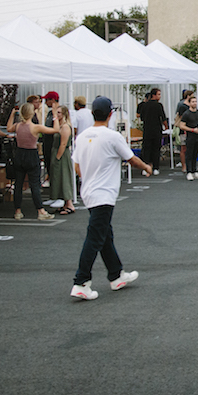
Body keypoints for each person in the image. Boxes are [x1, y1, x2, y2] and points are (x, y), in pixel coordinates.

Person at [70, 97, 147, 301]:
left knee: (104, 235)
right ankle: (81, 281)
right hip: (104, 194)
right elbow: (131, 158)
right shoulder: (112, 137)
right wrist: (147, 167)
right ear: (110, 114)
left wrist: (87, 176)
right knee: (95, 237)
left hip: (88, 192)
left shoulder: (83, 136)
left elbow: (76, 165)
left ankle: (116, 275)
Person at [6, 103, 54, 221]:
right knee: (35, 184)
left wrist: (12, 115)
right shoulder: (35, 127)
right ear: (31, 113)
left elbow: (8, 128)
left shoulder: (17, 126)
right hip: (31, 154)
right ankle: (40, 210)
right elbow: (55, 130)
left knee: (18, 184)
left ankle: (17, 211)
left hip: (20, 154)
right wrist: (56, 119)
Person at [46, 96, 75, 214]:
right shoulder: (59, 126)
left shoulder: (65, 127)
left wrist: (58, 157)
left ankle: (69, 204)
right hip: (56, 152)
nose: (56, 114)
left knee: (64, 177)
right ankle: (63, 203)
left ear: (64, 114)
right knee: (57, 177)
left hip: (61, 154)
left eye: (59, 112)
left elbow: (63, 144)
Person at [135, 88, 167, 177]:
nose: (160, 96)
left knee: (146, 149)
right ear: (154, 95)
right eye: (159, 94)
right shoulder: (159, 105)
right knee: (156, 149)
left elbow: (141, 117)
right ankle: (156, 168)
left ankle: (145, 167)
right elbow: (163, 118)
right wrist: (166, 127)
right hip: (157, 130)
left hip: (147, 129)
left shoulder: (144, 105)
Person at [177, 91, 198, 181]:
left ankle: (194, 171)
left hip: (197, 137)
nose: (195, 103)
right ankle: (189, 172)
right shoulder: (186, 114)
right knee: (189, 154)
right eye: (193, 102)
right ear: (189, 103)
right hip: (189, 137)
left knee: (195, 154)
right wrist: (192, 129)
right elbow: (182, 125)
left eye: (196, 102)